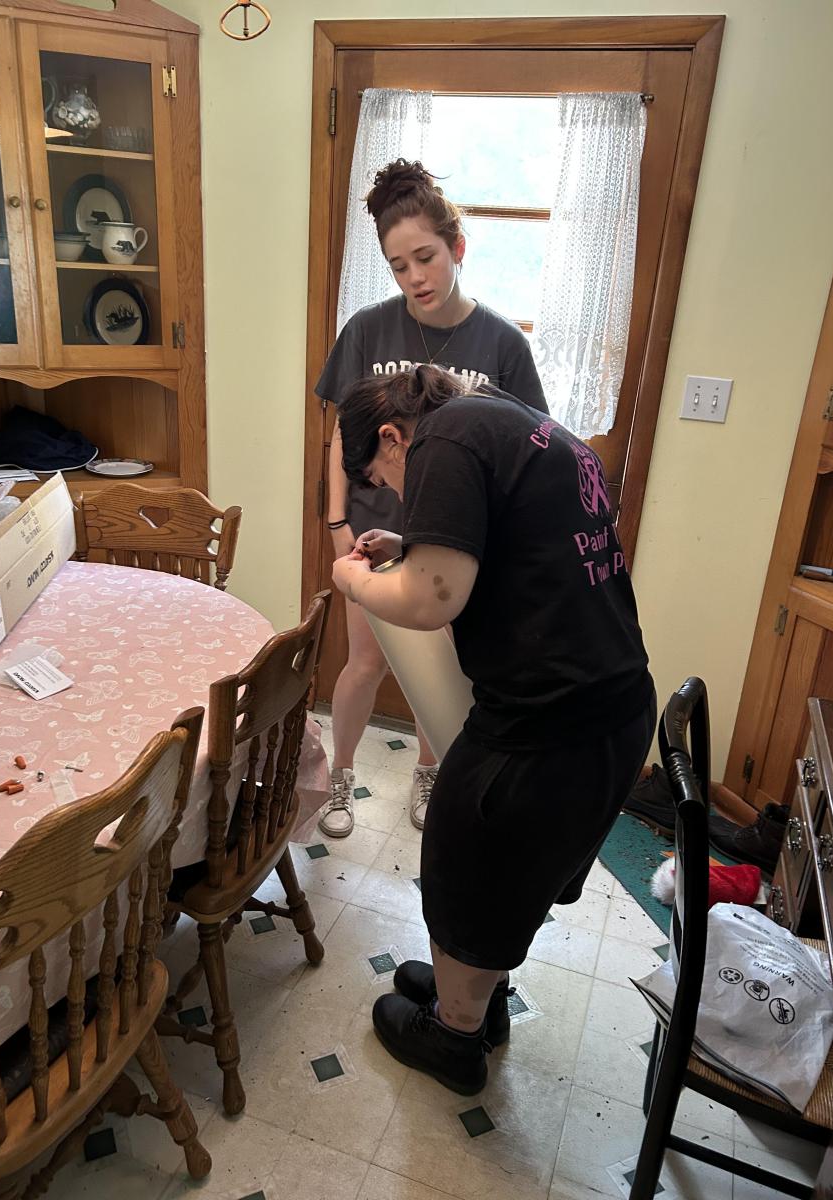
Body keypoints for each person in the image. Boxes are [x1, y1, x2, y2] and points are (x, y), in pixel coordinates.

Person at [331, 364, 655, 1095]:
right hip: (611, 703)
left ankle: (454, 1037)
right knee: (507, 872)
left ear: (393, 436)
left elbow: (431, 599)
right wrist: (411, 540)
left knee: (466, 854)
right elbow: (514, 538)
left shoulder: (443, 438)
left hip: (554, 722)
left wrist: (352, 579)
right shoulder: (504, 417)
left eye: (382, 476)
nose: (397, 491)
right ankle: (480, 1001)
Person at [316, 159, 547, 839]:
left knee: (440, 671)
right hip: (373, 530)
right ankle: (339, 776)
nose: (415, 277)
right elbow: (342, 433)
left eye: (426, 258)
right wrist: (337, 519)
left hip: (453, 544)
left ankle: (429, 771)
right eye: (399, 266)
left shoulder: (502, 343)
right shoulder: (367, 329)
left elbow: (523, 447)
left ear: (457, 249)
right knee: (365, 662)